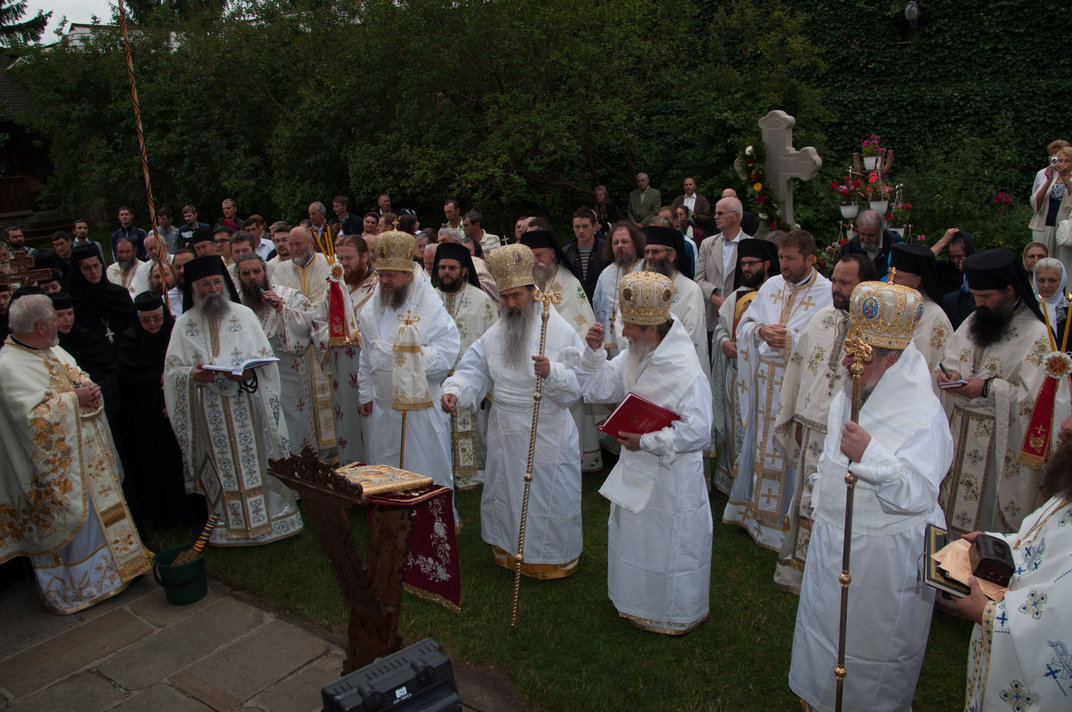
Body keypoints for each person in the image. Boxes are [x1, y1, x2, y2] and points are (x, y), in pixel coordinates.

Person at [789, 281, 952, 712]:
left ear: (891, 360)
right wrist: (818, 506)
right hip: (836, 531)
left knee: (872, 639)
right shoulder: (856, 386)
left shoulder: (923, 416)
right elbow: (830, 456)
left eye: (857, 356)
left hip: (884, 552)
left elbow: (920, 493)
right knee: (826, 621)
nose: (845, 362)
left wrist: (871, 455)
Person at [579, 271, 713, 634]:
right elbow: (596, 388)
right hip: (635, 466)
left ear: (652, 329)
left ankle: (671, 611)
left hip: (673, 479)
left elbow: (699, 431)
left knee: (668, 542)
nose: (623, 334)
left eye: (630, 328)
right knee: (635, 538)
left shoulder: (686, 369)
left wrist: (649, 441)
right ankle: (634, 601)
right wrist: (592, 353)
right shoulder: (633, 355)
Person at [0, 294, 151, 613]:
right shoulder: (9, 366)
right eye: (55, 318)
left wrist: (89, 389)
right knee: (77, 524)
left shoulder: (50, 348)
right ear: (41, 325)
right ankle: (81, 587)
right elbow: (32, 420)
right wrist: (75, 399)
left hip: (89, 458)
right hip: (58, 473)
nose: (60, 323)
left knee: (103, 516)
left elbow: (76, 374)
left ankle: (121, 567)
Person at [442, 244, 584, 577]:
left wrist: (553, 372)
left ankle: (548, 558)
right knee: (507, 492)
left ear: (533, 293)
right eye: (504, 297)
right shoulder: (497, 331)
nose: (509, 305)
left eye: (516, 296)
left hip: (545, 429)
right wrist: (454, 390)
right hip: (505, 429)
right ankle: (508, 548)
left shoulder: (558, 330)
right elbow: (473, 368)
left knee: (545, 494)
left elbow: (579, 385)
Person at [163, 256, 303, 545]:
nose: (213, 289)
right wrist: (192, 375)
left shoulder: (243, 316)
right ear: (193, 288)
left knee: (257, 461)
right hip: (210, 409)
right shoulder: (183, 325)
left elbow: (266, 360)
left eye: (216, 282)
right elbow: (171, 372)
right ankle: (229, 525)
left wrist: (249, 372)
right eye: (205, 284)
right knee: (223, 468)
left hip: (246, 406)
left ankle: (273, 519)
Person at [769, 254, 874, 594]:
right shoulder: (822, 319)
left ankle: (833, 576)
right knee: (804, 500)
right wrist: (795, 418)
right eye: (836, 280)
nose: (837, 288)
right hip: (812, 429)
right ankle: (798, 568)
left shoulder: (878, 327)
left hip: (846, 437)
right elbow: (800, 372)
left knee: (836, 505)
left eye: (845, 283)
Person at [955, 413, 1072, 712]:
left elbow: (1060, 629)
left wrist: (990, 615)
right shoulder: (1065, 499)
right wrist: (991, 545)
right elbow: (1035, 548)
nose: (1064, 424)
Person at [724, 230, 832, 551]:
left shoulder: (826, 293)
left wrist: (791, 340)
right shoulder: (771, 286)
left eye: (790, 259)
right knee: (760, 444)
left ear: (810, 259)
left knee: (787, 448)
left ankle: (782, 525)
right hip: (762, 384)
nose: (783, 265)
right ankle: (753, 516)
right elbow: (746, 327)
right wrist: (760, 330)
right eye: (781, 258)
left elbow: (825, 346)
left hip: (796, 388)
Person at [938, 248, 1053, 534]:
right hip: (958, 437)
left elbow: (1036, 401)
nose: (978, 304)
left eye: (986, 297)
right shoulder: (973, 322)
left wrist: (988, 388)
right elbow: (951, 359)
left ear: (1010, 290)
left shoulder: (1037, 335)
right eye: (974, 295)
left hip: (998, 447)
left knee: (985, 533)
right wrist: (950, 376)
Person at [357, 231, 459, 489]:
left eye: (391, 275)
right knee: (385, 461)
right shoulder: (372, 309)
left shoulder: (429, 306)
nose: (385, 281)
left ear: (408, 275)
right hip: (383, 406)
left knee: (423, 462)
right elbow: (366, 352)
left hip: (420, 409)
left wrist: (409, 357)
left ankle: (427, 520)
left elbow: (448, 349)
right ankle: (390, 518)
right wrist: (365, 392)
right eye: (381, 275)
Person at [520, 229, 601, 472]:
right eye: (530, 256)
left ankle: (566, 462)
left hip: (561, 366)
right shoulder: (525, 284)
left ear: (553, 253)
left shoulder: (569, 283)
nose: (535, 261)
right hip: (531, 363)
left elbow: (580, 323)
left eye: (539, 255)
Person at [117, 291, 201, 525]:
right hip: (145, 413)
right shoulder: (130, 339)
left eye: (157, 318)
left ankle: (189, 512)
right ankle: (160, 516)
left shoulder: (176, 334)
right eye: (145, 320)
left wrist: (172, 388)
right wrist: (160, 377)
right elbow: (127, 374)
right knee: (152, 465)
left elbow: (188, 364)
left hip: (178, 408)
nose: (152, 324)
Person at [711, 236, 778, 495]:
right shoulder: (736, 296)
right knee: (734, 427)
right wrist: (724, 342)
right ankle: (732, 482)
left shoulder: (776, 295)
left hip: (765, 380)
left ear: (767, 264)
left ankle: (756, 486)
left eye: (752, 263)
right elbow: (720, 330)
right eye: (744, 264)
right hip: (736, 377)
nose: (746, 269)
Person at [235, 253, 320, 455]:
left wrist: (282, 309)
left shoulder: (289, 296)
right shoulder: (235, 305)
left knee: (292, 425)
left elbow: (308, 325)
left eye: (257, 271)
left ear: (265, 271)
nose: (252, 277)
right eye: (245, 273)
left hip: (287, 379)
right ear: (238, 276)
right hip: (250, 383)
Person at [432, 242, 496, 490]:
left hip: (468, 377)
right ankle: (441, 469)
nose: (446, 272)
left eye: (452, 267)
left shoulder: (481, 300)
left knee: (472, 427)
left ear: (463, 270)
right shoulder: (429, 299)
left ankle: (471, 471)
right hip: (435, 377)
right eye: (442, 267)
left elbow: (491, 339)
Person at [270, 225, 338, 458]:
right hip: (294, 353)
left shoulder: (329, 265)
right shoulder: (278, 271)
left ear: (312, 243)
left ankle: (332, 453)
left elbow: (334, 305)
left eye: (299, 244)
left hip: (323, 348)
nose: (294, 249)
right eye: (291, 244)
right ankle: (306, 453)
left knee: (328, 404)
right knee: (299, 405)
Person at [325, 235, 376, 465]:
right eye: (340, 258)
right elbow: (318, 321)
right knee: (347, 420)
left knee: (371, 422)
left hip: (370, 365)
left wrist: (362, 338)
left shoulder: (379, 286)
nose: (344, 263)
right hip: (343, 368)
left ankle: (377, 474)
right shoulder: (335, 286)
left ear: (365, 256)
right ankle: (351, 471)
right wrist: (331, 337)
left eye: (349, 258)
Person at [640, 225, 710, 381]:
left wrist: (656, 355)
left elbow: (690, 336)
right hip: (645, 367)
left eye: (656, 252)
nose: (649, 257)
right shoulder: (641, 287)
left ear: (671, 256)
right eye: (646, 252)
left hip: (678, 372)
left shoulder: (691, 290)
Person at [887, 243, 954, 378]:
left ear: (916, 281)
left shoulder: (935, 317)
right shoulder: (887, 308)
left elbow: (939, 370)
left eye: (897, 277)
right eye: (889, 274)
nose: (890, 282)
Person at [696, 195, 752, 335]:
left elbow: (753, 283)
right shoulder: (707, 244)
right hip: (711, 315)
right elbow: (698, 279)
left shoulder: (751, 245)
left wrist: (729, 303)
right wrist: (716, 299)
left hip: (739, 315)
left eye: (720, 213)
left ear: (736, 216)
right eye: (715, 213)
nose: (715, 217)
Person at [69, 244, 134, 358]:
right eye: (87, 268)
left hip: (124, 354)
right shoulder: (73, 299)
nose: (94, 271)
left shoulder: (119, 294)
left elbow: (133, 326)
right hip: (93, 358)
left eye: (96, 265)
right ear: (78, 270)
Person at [592, 222, 645, 359]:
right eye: (615, 243)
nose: (620, 246)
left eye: (624, 241)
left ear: (635, 243)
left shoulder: (647, 270)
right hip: (611, 345)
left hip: (642, 342)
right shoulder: (605, 275)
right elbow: (597, 307)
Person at [1030, 145, 1072, 259]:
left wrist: (1066, 177)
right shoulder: (1050, 177)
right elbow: (1036, 203)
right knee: (1043, 259)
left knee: (1063, 262)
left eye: (1067, 161)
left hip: (1065, 229)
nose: (1063, 163)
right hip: (1044, 226)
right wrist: (1048, 181)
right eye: (1060, 160)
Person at [839, 210, 901, 279]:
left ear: (881, 232)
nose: (865, 239)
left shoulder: (894, 247)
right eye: (862, 234)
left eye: (871, 235)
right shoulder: (850, 248)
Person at [1032, 257, 1068, 345]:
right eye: (1041, 280)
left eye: (1052, 280)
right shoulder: (1028, 307)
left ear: (1062, 280)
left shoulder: (1068, 308)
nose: (1046, 285)